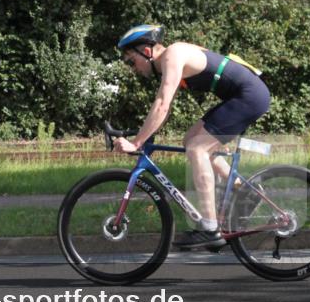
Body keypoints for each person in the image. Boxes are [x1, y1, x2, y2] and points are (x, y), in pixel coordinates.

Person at [114, 24, 270, 250]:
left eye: (131, 61)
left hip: (249, 96)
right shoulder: (173, 58)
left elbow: (162, 104)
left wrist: (136, 142)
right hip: (241, 96)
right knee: (190, 141)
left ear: (146, 52)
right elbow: (163, 110)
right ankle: (244, 190)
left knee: (197, 148)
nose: (132, 68)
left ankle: (209, 227)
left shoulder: (172, 55)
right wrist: (143, 136)